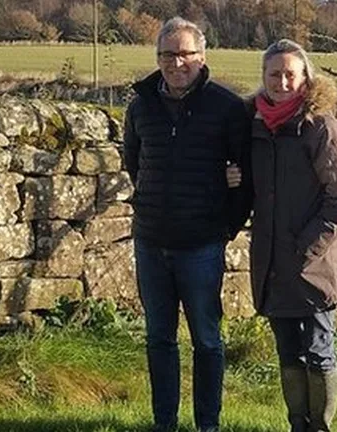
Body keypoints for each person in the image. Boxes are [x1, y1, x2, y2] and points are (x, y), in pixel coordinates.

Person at [123, 16, 251, 432]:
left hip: (201, 244)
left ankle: (207, 425)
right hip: (151, 240)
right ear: (157, 58)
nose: (176, 62)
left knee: (207, 340)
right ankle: (165, 423)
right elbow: (134, 162)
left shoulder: (227, 107)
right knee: (159, 339)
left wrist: (224, 229)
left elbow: (244, 177)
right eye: (167, 54)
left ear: (202, 57)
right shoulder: (141, 105)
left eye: (185, 54)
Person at [228, 39, 337, 432]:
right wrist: (232, 180)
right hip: (272, 263)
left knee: (319, 353)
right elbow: (251, 191)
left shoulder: (320, 126)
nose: (282, 81)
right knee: (288, 354)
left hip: (313, 264)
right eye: (274, 74)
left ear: (305, 78)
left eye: (290, 74)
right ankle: (296, 426)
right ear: (263, 78)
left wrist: (305, 249)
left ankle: (320, 427)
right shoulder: (254, 127)